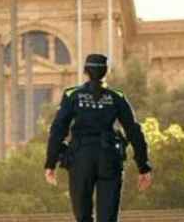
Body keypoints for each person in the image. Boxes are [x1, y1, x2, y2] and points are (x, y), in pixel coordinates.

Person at [44, 54, 154, 222]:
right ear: (106, 72)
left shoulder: (72, 95)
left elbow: (58, 129)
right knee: (108, 218)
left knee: (82, 216)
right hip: (109, 158)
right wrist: (143, 166)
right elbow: (133, 130)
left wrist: (51, 163)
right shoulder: (117, 97)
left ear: (85, 71)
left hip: (80, 159)